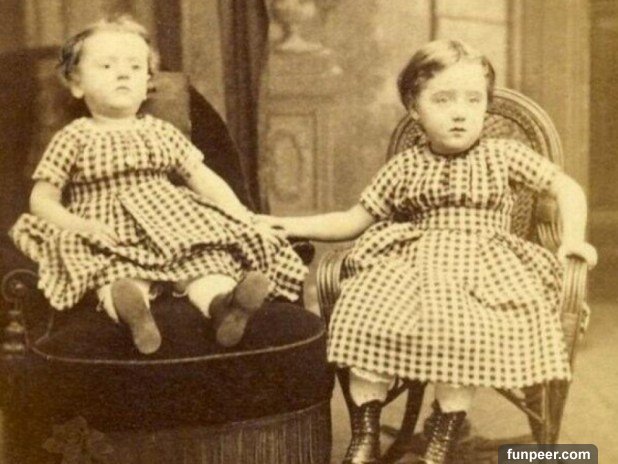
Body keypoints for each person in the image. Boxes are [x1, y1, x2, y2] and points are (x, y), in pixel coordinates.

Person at [259, 39, 597, 464]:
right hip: (413, 266)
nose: (460, 112)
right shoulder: (405, 166)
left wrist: (573, 239)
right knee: (363, 308)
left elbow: (566, 188)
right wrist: (288, 224)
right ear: (414, 109)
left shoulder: (503, 155)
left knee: (462, 327)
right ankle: (364, 434)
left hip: (485, 268)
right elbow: (352, 219)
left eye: (473, 100)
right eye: (443, 99)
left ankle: (441, 437)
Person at [9, 15, 306, 355]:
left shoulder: (161, 131)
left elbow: (202, 178)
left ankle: (225, 307)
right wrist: (81, 226)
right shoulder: (73, 137)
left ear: (148, 84)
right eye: (106, 65)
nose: (123, 74)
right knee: (112, 270)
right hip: (109, 229)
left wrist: (242, 215)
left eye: (135, 67)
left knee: (208, 260)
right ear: (76, 83)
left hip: (174, 222)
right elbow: (42, 199)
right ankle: (134, 312)